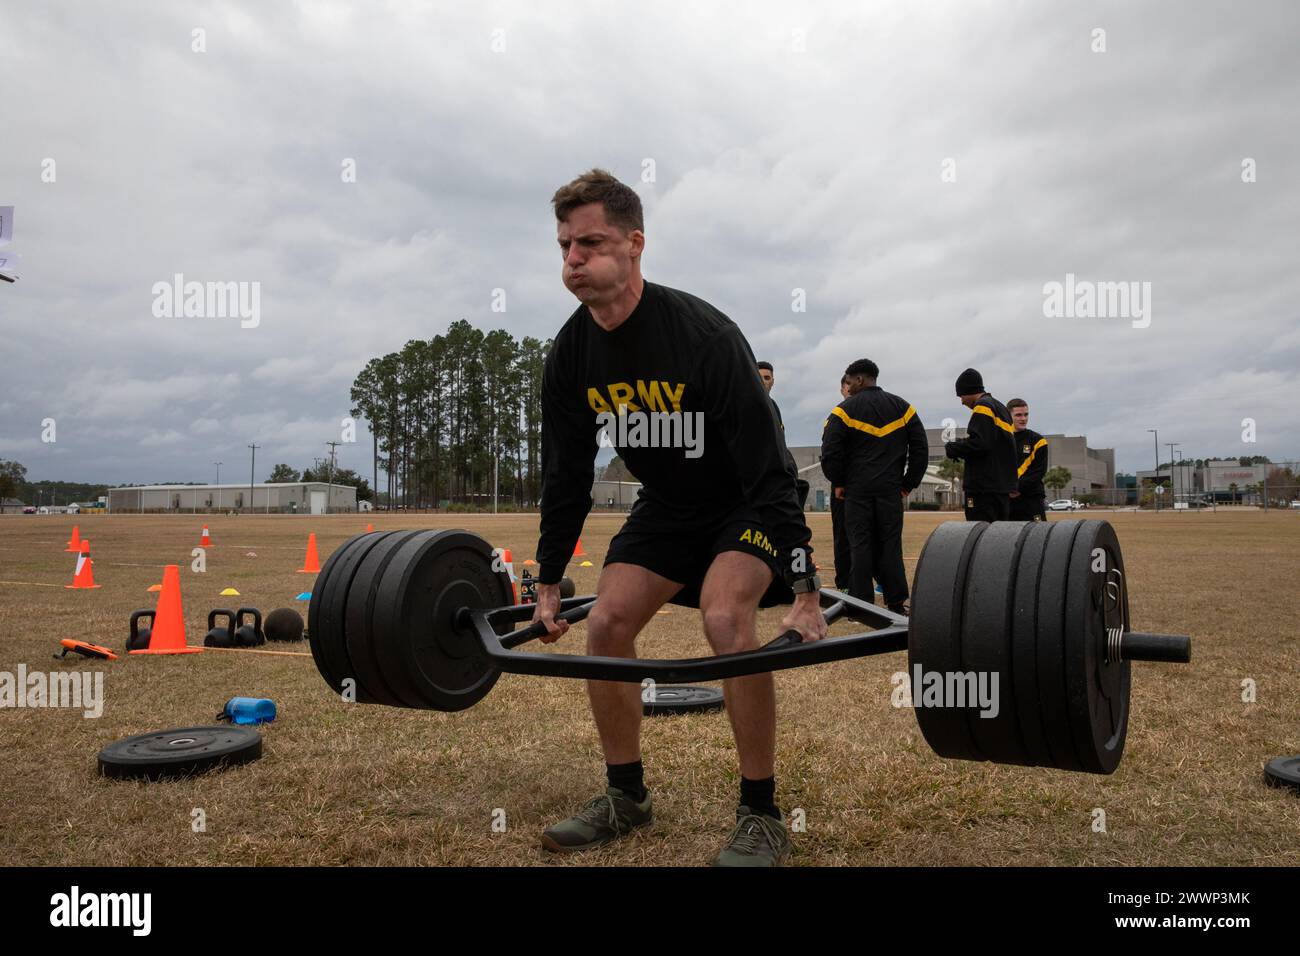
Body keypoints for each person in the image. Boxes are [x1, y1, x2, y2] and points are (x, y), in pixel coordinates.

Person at [532, 169, 826, 867]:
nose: (574, 259)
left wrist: (808, 587)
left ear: (635, 245)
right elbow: (567, 475)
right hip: (669, 507)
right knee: (604, 622)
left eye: (591, 243)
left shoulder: (703, 335)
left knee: (725, 618)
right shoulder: (571, 354)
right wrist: (547, 581)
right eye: (566, 245)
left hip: (745, 502)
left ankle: (761, 813)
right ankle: (625, 797)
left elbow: (765, 466)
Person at [820, 358, 927, 615]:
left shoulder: (843, 411)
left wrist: (839, 482)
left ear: (859, 379)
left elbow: (831, 452)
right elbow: (920, 449)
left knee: (860, 546)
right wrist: (908, 483)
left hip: (857, 493)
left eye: (850, 381)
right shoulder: (904, 408)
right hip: (890, 491)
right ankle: (896, 603)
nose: (849, 386)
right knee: (891, 546)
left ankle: (862, 605)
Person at [944, 368, 1018, 521]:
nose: (962, 402)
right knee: (998, 535)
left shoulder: (983, 406)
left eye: (961, 396)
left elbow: (980, 444)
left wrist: (954, 448)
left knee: (980, 535)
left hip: (983, 489)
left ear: (969, 391)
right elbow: (992, 443)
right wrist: (963, 444)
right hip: (1001, 487)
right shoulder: (1001, 408)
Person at [757, 361, 810, 509]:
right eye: (758, 377)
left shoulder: (773, 407)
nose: (763, 381)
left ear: (773, 382)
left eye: (767, 378)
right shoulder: (742, 403)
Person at [827, 375, 853, 590]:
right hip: (849, 485)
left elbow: (830, 451)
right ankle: (846, 583)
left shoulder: (839, 415)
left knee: (848, 536)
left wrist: (837, 481)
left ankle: (848, 583)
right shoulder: (839, 414)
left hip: (849, 486)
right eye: (847, 385)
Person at [1007, 398, 1048, 521]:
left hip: (1032, 498)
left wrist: (1018, 487)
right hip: (1007, 500)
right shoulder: (1001, 439)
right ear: (1008, 416)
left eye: (1026, 414)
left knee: (1038, 536)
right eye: (1018, 415)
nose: (1023, 418)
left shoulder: (1038, 441)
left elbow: (1039, 471)